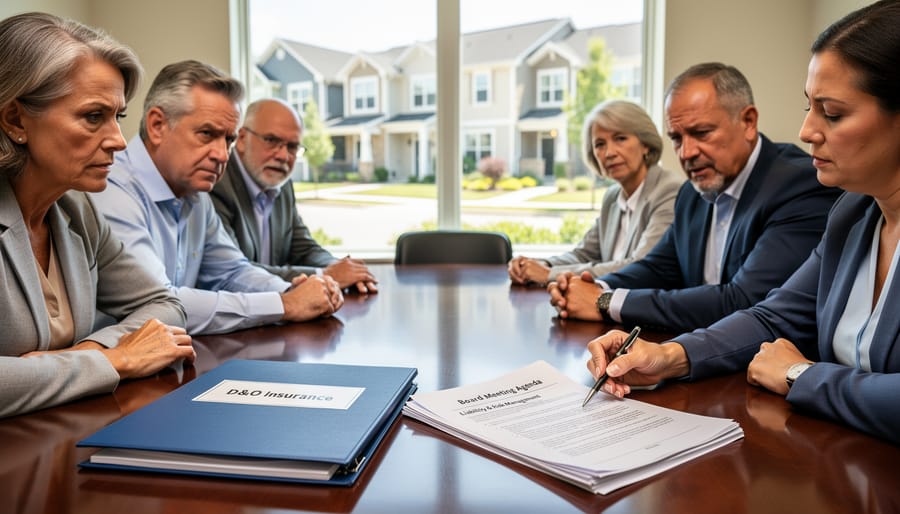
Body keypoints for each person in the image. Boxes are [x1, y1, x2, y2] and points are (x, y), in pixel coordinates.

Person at [584, 0, 900, 444]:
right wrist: (668, 356)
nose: (806, 130)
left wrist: (800, 374)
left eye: (832, 113)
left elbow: (746, 302)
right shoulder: (853, 213)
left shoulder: (803, 190)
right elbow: (774, 317)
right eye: (808, 107)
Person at [0, 12, 195, 418]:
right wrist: (112, 360)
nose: (119, 141)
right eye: (93, 117)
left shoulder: (75, 207)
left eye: (117, 117)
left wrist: (92, 349)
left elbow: (163, 303)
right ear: (15, 119)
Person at [549, 62, 841, 333]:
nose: (686, 153)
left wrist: (604, 301)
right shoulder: (691, 192)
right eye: (676, 138)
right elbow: (658, 267)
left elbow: (744, 301)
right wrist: (593, 286)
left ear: (748, 121)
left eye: (701, 133)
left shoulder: (799, 185)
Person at [92, 61, 344, 336]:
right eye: (207, 134)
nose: (222, 155)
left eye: (228, 140)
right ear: (157, 126)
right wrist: (285, 304)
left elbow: (232, 271)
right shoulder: (111, 188)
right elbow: (159, 303)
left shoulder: (195, 193)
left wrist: (292, 290)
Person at [509, 100, 684, 286]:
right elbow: (583, 254)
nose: (609, 153)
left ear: (645, 144)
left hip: (640, 302)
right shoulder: (613, 197)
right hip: (606, 300)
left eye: (620, 138)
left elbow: (640, 268)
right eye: (600, 144)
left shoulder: (669, 191)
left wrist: (549, 274)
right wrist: (540, 264)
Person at [210, 98, 377, 293]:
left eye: (292, 147)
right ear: (241, 139)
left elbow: (304, 248)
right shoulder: (216, 183)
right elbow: (234, 272)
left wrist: (340, 268)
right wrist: (325, 275)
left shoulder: (281, 183)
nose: (283, 156)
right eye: (271, 141)